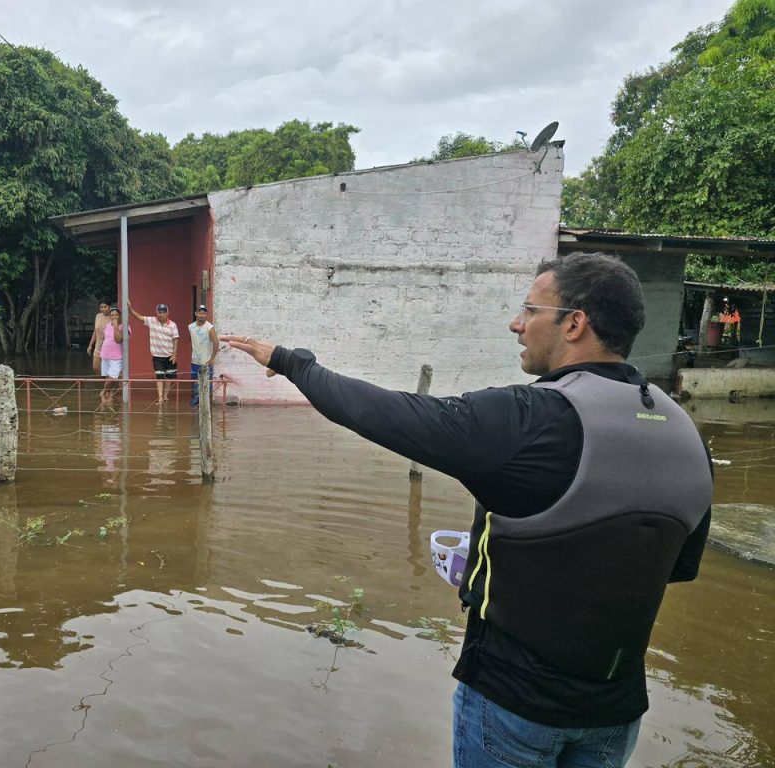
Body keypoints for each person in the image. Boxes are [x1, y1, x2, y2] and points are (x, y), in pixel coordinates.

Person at [222, 252, 712, 768]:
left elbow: (385, 414)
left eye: (529, 310)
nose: (515, 324)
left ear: (574, 323)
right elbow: (674, 567)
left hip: (513, 701)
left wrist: (293, 362)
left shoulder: (528, 419)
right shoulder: (684, 433)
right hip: (615, 713)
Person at [127, 300, 180, 404]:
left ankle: (165, 396)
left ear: (167, 313)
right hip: (157, 356)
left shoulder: (173, 325)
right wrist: (130, 308)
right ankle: (160, 397)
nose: (161, 314)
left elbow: (175, 340)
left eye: (164, 312)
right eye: (159, 312)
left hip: (169, 355)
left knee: (169, 377)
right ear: (157, 313)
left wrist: (174, 354)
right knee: (159, 376)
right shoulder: (152, 321)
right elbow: (139, 317)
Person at [188, 304, 219, 408]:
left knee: (206, 385)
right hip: (195, 361)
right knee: (195, 384)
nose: (201, 315)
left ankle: (205, 406)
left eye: (204, 313)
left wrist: (212, 358)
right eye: (200, 313)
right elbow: (192, 340)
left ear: (206, 314)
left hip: (206, 361)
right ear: (196, 314)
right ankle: (196, 405)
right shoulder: (191, 327)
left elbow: (216, 343)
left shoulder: (210, 328)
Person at [98, 306, 127, 405]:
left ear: (119, 316)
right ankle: (108, 396)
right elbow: (105, 339)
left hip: (116, 356)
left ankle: (103, 392)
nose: (114, 317)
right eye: (112, 315)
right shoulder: (107, 325)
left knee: (113, 378)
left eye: (116, 315)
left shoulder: (124, 327)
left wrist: (115, 326)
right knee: (108, 377)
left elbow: (118, 339)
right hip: (105, 354)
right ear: (110, 316)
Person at [86, 301, 112, 375]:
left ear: (109, 307)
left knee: (109, 369)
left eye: (105, 307)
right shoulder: (98, 316)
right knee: (96, 368)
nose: (103, 309)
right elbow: (95, 331)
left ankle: (109, 383)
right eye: (101, 307)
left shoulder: (113, 316)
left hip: (109, 347)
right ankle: (105, 382)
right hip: (98, 346)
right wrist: (90, 345)